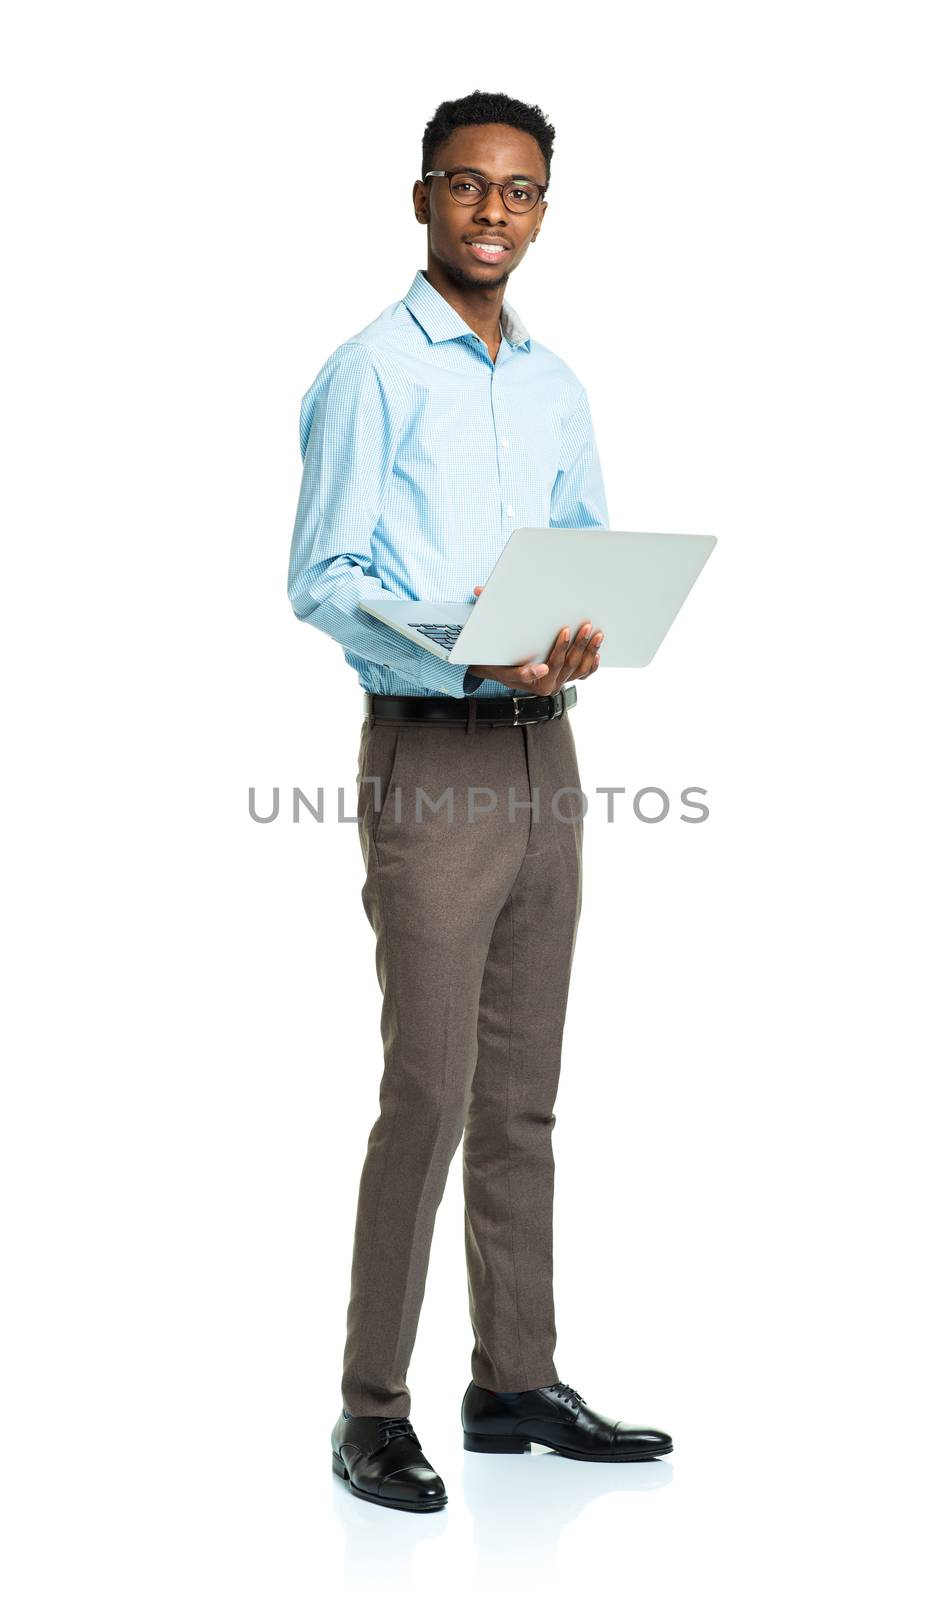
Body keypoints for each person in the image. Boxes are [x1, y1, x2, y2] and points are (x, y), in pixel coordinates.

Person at [288, 89, 672, 1514]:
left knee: (522, 1098)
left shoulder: (557, 383)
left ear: (541, 210)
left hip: (544, 750)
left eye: (518, 191)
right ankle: (369, 1407)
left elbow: (577, 555)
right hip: (431, 754)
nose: (491, 211)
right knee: (428, 1093)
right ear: (422, 199)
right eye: (466, 185)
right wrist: (466, 644)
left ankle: (512, 1377)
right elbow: (319, 581)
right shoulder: (369, 373)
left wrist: (576, 636)